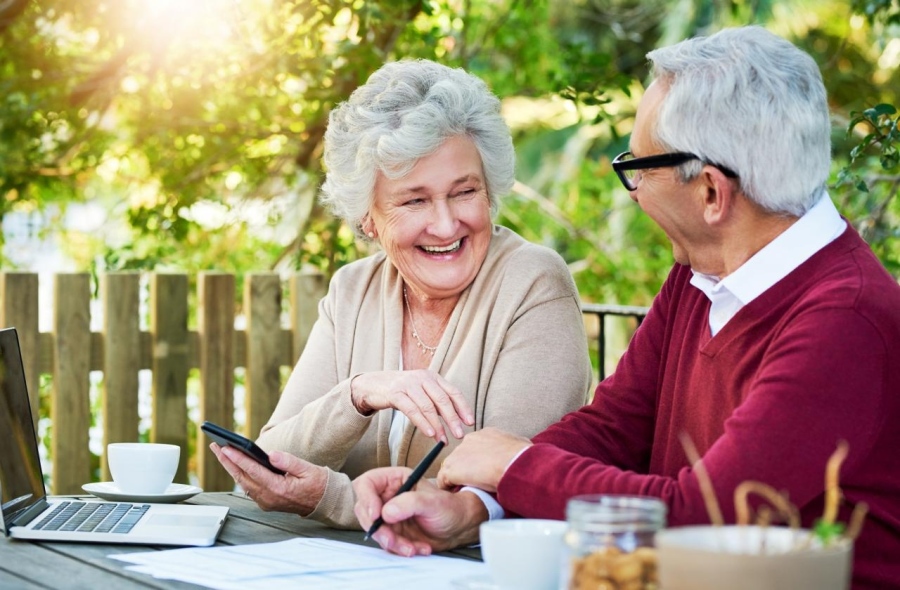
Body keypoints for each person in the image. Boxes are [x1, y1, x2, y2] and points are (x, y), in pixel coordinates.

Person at [352, 27, 900, 588]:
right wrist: (475, 506)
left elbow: (702, 516)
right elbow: (613, 428)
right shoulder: (701, 275)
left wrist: (514, 466)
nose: (633, 191)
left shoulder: (844, 320)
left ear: (711, 193)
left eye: (639, 168)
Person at [210, 59, 592, 530]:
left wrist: (335, 498)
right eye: (414, 200)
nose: (447, 224)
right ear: (367, 218)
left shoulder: (532, 282)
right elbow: (273, 463)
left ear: (489, 190)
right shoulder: (353, 289)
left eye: (464, 192)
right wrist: (362, 392)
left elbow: (500, 491)